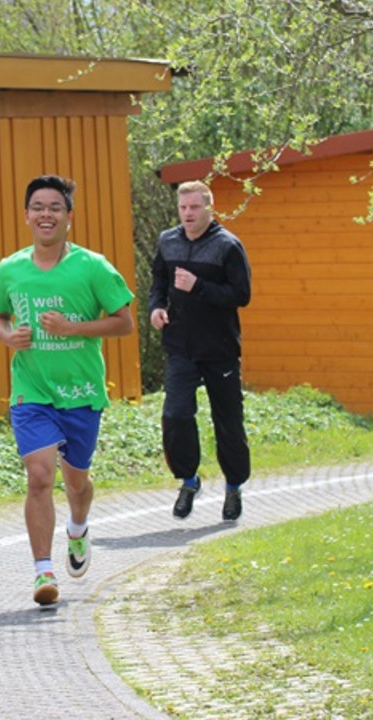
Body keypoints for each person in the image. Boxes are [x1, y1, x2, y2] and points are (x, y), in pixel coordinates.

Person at [0, 174, 135, 606]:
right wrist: (7, 336)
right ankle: (42, 572)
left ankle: (77, 527)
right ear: (26, 215)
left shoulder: (92, 266)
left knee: (76, 483)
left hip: (82, 391)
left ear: (69, 216)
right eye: (38, 207)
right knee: (39, 477)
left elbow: (124, 321)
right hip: (31, 390)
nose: (45, 214)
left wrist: (74, 328)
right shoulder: (10, 268)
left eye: (55, 207)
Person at [148, 179, 252, 522]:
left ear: (210, 208)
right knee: (174, 415)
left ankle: (234, 487)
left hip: (219, 348)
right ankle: (189, 480)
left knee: (228, 425)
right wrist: (156, 309)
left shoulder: (227, 246)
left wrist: (199, 287)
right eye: (183, 208)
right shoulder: (168, 241)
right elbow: (158, 283)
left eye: (195, 207)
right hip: (180, 346)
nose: (188, 213)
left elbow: (241, 295)